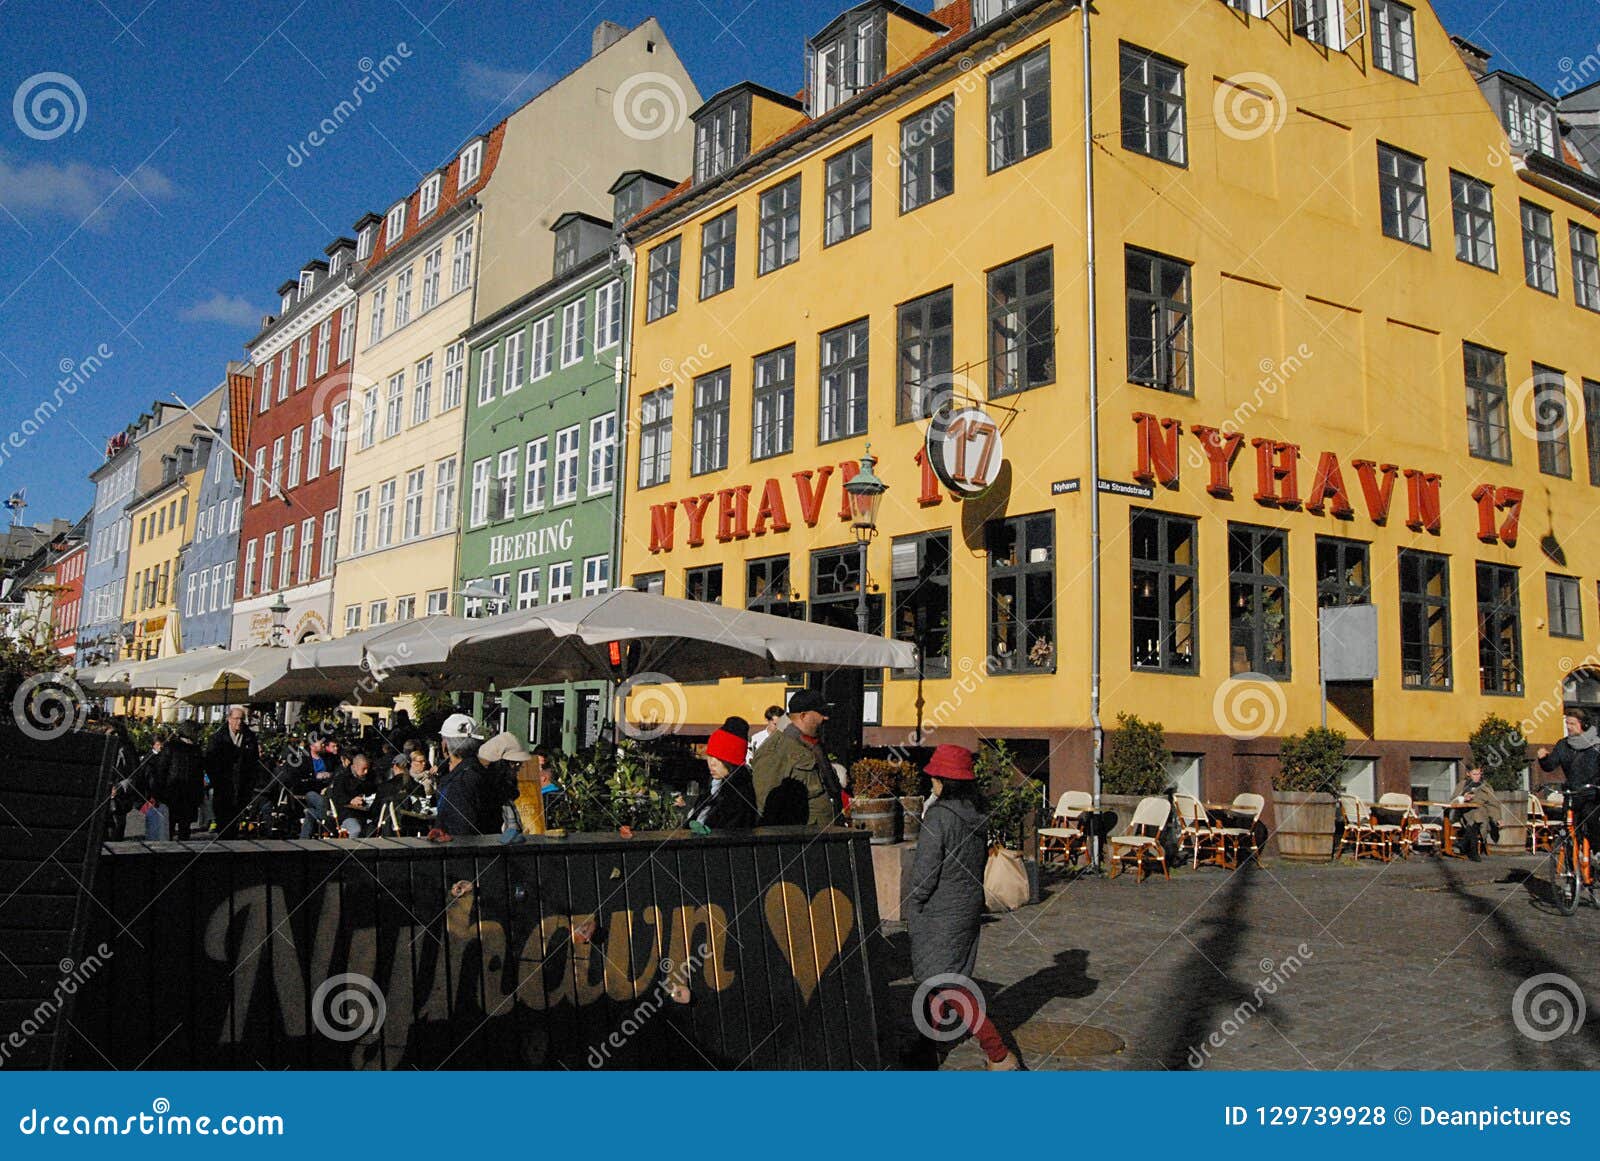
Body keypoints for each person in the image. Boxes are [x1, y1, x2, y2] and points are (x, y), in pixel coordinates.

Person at [906, 744, 1018, 1070]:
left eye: (935, 777)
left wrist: (915, 903)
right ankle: (927, 1048)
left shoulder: (938, 817)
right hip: (967, 906)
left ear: (944, 781)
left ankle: (999, 1053)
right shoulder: (974, 816)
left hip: (939, 911)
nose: (931, 783)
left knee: (947, 984)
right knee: (938, 978)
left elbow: (926, 872)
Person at [751, 690, 843, 826]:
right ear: (803, 715)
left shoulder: (811, 745)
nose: (826, 718)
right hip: (802, 839)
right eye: (821, 714)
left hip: (824, 835)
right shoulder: (775, 749)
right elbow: (765, 804)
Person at [1539, 708, 1600, 859]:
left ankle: (1597, 852)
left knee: (1590, 818)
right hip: (1572, 794)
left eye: (1572, 723)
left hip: (1592, 794)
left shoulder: (1596, 746)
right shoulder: (1563, 745)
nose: (1568, 726)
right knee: (1569, 828)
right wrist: (1543, 758)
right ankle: (1573, 872)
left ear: (1584, 725)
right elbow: (1550, 765)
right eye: (1567, 723)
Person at [687, 717, 759, 830]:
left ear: (731, 762)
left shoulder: (738, 795)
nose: (712, 763)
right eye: (709, 756)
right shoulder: (713, 786)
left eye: (719, 758)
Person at [435, 713, 498, 836]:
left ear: (445, 745)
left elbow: (462, 829)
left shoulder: (460, 782)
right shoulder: (484, 773)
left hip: (461, 850)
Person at [204, 706, 261, 838]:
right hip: (223, 785)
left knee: (235, 820)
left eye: (241, 719)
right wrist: (217, 781)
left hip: (242, 786)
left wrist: (250, 783)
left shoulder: (249, 737)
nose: (239, 722)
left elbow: (254, 762)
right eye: (236, 719)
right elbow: (210, 762)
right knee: (223, 819)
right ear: (229, 719)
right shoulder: (217, 738)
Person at [150, 723, 206, 841]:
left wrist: (199, 794)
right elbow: (160, 770)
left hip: (187, 795)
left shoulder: (196, 750)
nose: (198, 735)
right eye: (197, 732)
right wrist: (158, 792)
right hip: (172, 793)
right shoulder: (171, 747)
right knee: (168, 828)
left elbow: (199, 774)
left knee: (184, 828)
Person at [479, 731, 533, 838]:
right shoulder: (488, 795)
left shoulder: (506, 798)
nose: (518, 768)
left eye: (519, 764)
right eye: (513, 763)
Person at [1448, 766, 1503, 861]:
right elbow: (1453, 801)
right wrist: (1464, 798)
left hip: (1483, 812)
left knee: (1478, 816)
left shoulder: (1486, 786)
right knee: (1476, 818)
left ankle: (1467, 846)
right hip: (1466, 812)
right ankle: (1471, 850)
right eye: (1474, 774)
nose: (1477, 776)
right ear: (1468, 774)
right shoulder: (1462, 785)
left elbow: (1493, 803)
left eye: (1479, 774)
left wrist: (1497, 818)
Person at [331, 752, 379, 838]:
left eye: (367, 769)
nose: (366, 772)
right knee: (356, 830)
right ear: (355, 766)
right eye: (363, 769)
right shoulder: (342, 778)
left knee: (375, 829)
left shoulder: (369, 778)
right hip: (347, 814)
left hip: (366, 814)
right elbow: (337, 796)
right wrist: (350, 800)